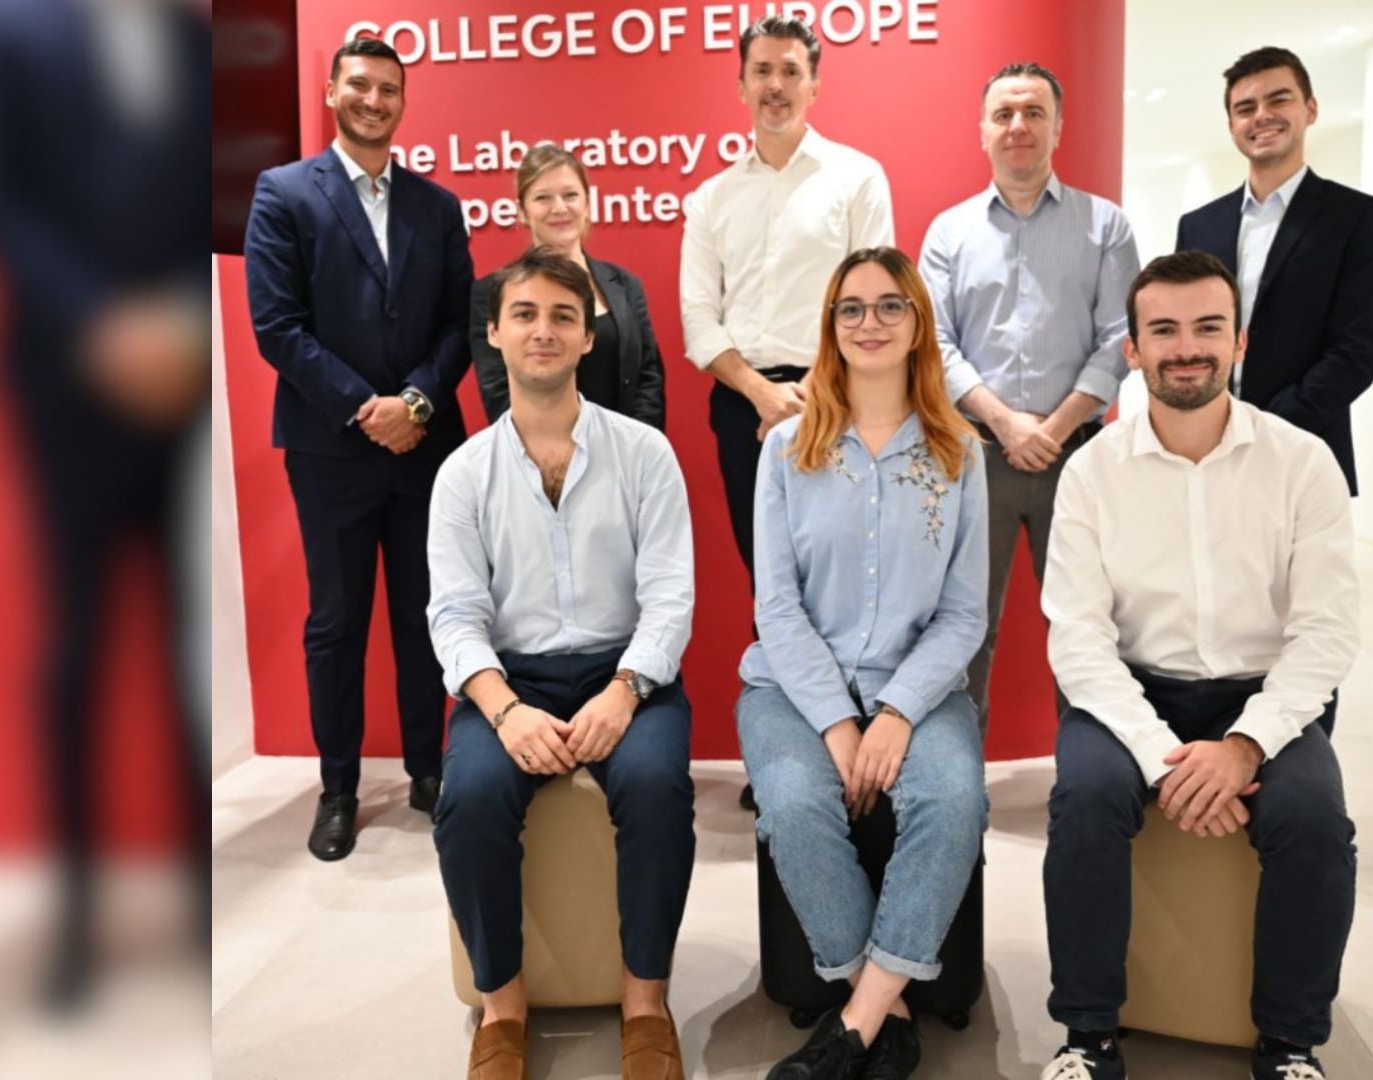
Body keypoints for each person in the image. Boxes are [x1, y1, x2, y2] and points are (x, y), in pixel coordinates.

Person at [0, 0, 212, 1008]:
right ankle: (77, 921)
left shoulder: (186, 39)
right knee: (76, 647)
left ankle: (198, 904)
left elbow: (198, 198)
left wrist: (183, 325)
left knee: (183, 643)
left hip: (178, 381)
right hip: (64, 382)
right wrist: (101, 325)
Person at [1038, 252, 1359, 1080]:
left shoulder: (1302, 462)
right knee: (1085, 800)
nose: (1187, 348)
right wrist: (1165, 760)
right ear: (1133, 350)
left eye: (1208, 328)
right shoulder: (1091, 471)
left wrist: (1245, 748)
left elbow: (1326, 633)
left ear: (1239, 341)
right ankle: (1086, 1038)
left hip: (1262, 694)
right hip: (1130, 691)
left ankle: (1290, 1043)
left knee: (1315, 822)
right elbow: (1078, 639)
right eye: (1164, 331)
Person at [428, 249, 696, 1080]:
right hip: (509, 679)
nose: (543, 330)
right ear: (496, 333)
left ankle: (645, 1004)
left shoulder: (645, 454)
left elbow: (670, 597)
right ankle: (502, 1010)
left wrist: (626, 690)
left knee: (656, 789)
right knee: (469, 800)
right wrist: (504, 710)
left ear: (587, 338)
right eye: (526, 315)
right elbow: (455, 614)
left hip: (628, 673)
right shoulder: (462, 473)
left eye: (563, 317)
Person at [739, 248, 989, 1080]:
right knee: (794, 804)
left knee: (954, 801)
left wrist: (898, 711)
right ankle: (889, 1012)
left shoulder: (960, 453)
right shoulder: (785, 449)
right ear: (830, 326)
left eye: (890, 306)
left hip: (920, 688)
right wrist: (837, 723)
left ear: (918, 324)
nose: (869, 322)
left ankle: (854, 1027)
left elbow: (963, 615)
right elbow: (777, 609)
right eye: (851, 308)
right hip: (791, 687)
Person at [244, 35, 474, 860]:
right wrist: (364, 408)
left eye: (389, 89)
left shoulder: (436, 206)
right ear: (333, 93)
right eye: (360, 86)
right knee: (337, 622)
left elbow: (460, 324)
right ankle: (338, 788)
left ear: (403, 101)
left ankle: (429, 772)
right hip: (330, 449)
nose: (374, 100)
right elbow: (277, 327)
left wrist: (415, 402)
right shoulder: (283, 193)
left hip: (425, 444)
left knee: (426, 616)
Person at [918, 61, 1139, 739]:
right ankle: (956, 781)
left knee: (1083, 631)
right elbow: (934, 344)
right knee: (964, 630)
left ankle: (1088, 777)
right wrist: (1007, 423)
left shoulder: (1106, 226)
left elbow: (1120, 339)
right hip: (972, 456)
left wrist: (1054, 428)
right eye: (1004, 114)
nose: (1018, 126)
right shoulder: (949, 232)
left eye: (1034, 113)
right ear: (982, 130)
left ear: (1058, 128)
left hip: (1078, 456)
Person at [680, 14, 895, 584]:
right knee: (768, 580)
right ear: (741, 86)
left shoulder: (857, 179)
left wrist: (812, 398)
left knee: (847, 578)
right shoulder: (711, 198)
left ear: (814, 86)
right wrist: (762, 395)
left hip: (840, 400)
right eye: (762, 71)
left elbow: (875, 307)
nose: (775, 85)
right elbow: (699, 320)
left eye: (791, 71)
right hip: (742, 409)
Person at [1176, 46, 1373, 495]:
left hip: (1304, 449)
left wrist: (1266, 428)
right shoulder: (1198, 225)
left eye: (1278, 99)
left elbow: (1356, 350)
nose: (1262, 116)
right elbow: (1185, 335)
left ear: (1310, 109)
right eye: (1245, 108)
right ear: (1231, 126)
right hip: (1204, 449)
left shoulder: (1357, 217)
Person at [468, 144, 666, 429]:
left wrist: (634, 446)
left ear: (587, 204)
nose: (559, 208)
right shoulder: (492, 292)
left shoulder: (626, 285)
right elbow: (498, 391)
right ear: (522, 211)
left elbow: (648, 378)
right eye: (543, 198)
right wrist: (562, 451)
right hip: (539, 451)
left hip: (627, 449)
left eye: (570, 195)